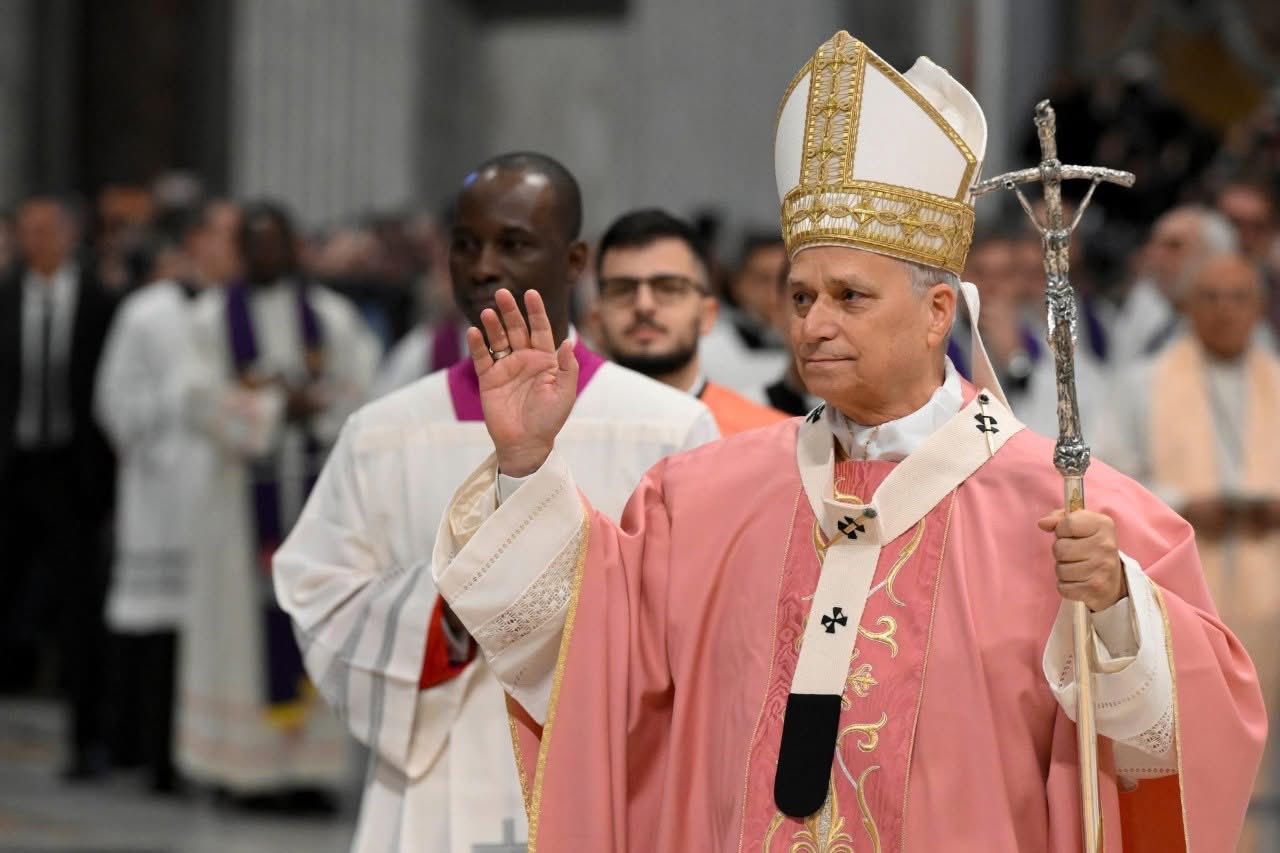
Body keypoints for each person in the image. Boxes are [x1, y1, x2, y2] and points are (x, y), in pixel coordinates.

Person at [427, 33, 1264, 850]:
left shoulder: (1073, 513)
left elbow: (1192, 730)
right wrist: (527, 461)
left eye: (849, 297)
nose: (814, 325)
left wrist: (1118, 610)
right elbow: (588, 661)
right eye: (799, 298)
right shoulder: (699, 499)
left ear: (939, 311)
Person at [272, 153, 719, 852]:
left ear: (574, 261)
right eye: (465, 244)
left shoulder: (667, 427)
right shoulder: (383, 430)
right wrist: (450, 614)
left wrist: (544, 606)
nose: (483, 266)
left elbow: (702, 616)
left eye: (513, 244)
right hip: (434, 770)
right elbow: (316, 586)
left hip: (605, 775)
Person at [175, 200, 378, 811]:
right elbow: (193, 396)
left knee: (317, 625)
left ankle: (308, 773)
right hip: (239, 504)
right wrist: (270, 410)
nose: (267, 252)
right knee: (238, 634)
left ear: (294, 247)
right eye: (255, 241)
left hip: (315, 498)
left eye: (277, 240)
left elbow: (365, 390)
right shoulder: (211, 318)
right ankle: (244, 773)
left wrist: (313, 405)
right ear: (242, 249)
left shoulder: (331, 317)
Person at [1097, 251, 1280, 850]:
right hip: (1185, 591)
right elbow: (1112, 474)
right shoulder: (1145, 381)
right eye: (1212, 298)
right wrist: (1183, 504)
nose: (1226, 311)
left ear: (1260, 306)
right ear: (1187, 306)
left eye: (1239, 297)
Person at [92, 200, 239, 793]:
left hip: (220, 487)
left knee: (212, 627)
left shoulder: (237, 310)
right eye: (226, 236)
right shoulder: (146, 312)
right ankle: (152, 754)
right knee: (157, 633)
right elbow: (114, 396)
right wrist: (166, 416)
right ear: (197, 240)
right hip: (161, 484)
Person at [0, 195, 118, 779]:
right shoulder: (5, 297)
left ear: (70, 235)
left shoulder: (100, 301)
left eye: (48, 229)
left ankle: (86, 739)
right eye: (28, 231)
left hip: (72, 474)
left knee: (79, 609)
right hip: (12, 464)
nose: (38, 240)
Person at [592, 209, 789, 435]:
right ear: (596, 318)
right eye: (622, 289)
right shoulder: (560, 435)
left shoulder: (767, 438)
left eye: (668, 287)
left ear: (708, 315)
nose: (644, 305)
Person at [699, 233, 791, 397]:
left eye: (785, 280)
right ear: (737, 284)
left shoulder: (821, 347)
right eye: (763, 280)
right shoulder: (705, 350)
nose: (775, 293)